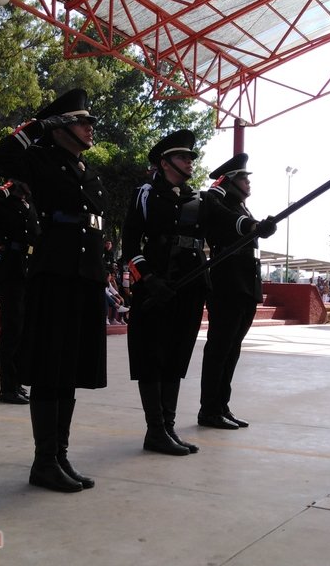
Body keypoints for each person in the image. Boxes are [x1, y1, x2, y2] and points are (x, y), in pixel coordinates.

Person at [122, 130, 276, 455]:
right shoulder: (146, 193)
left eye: (191, 157)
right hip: (157, 285)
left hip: (190, 286)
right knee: (153, 356)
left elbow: (226, 219)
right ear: (164, 163)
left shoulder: (199, 199)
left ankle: (168, 426)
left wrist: (253, 226)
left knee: (176, 357)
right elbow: (130, 243)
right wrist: (147, 279)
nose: (190, 162)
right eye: (183, 157)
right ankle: (155, 430)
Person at [0, 88, 106, 492]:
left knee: (70, 369)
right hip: (54, 270)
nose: (90, 127)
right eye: (82, 120)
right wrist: (38, 125)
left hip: (85, 275)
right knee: (49, 368)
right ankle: (44, 461)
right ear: (61, 127)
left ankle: (60, 455)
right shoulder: (39, 159)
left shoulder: (87, 169)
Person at [199, 153, 275, 429]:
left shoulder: (241, 207)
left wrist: (258, 226)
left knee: (232, 349)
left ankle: (221, 405)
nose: (248, 182)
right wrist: (254, 227)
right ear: (230, 181)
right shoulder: (219, 204)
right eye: (243, 177)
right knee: (220, 348)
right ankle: (208, 409)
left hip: (244, 285)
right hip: (228, 284)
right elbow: (227, 220)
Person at [0, 180, 40, 406]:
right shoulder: (4, 204)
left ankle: (16, 383)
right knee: (12, 331)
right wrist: (9, 185)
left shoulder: (31, 206)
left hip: (30, 271)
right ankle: (6, 388)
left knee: (23, 331)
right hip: (12, 273)